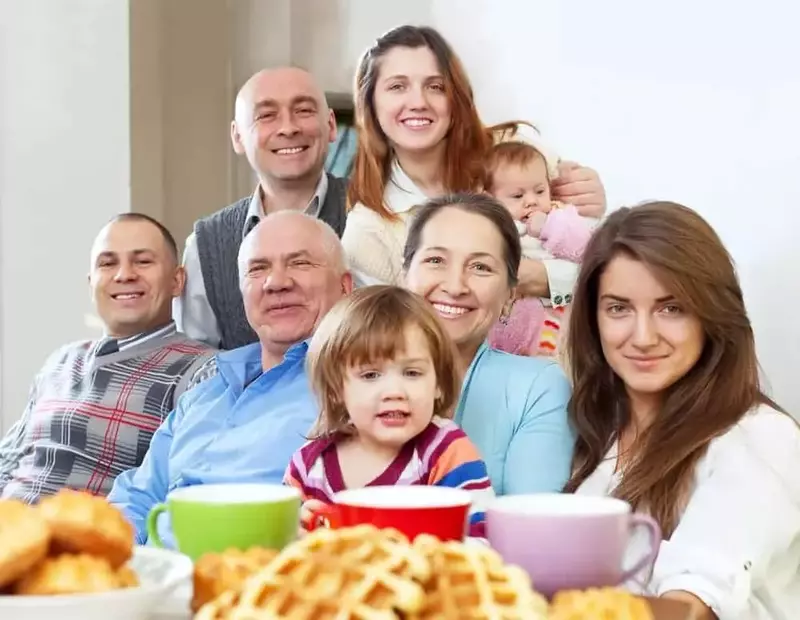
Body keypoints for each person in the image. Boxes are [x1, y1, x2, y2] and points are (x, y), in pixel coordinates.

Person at [564, 201, 800, 620]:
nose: (643, 337)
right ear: (593, 318)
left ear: (712, 316)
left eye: (671, 309)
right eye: (618, 308)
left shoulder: (759, 438)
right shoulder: (595, 434)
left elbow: (689, 608)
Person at [108, 211, 354, 543]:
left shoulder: (354, 391)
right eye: (258, 268)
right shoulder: (205, 393)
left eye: (300, 263)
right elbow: (137, 496)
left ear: (345, 287)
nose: (276, 282)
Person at [342, 24, 606, 310]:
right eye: (397, 87)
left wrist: (543, 276)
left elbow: (608, 270)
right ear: (370, 103)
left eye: (435, 86)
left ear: (455, 97)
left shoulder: (519, 152)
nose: (418, 102)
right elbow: (394, 336)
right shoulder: (367, 232)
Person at [0, 214, 214, 503]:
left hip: (88, 539)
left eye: (143, 261)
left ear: (177, 281)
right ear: (92, 283)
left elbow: (187, 491)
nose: (124, 275)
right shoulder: (60, 360)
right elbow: (8, 461)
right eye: (108, 263)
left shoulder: (202, 370)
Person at [285, 285, 493, 538]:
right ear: (335, 390)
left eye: (412, 373)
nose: (394, 391)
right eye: (370, 375)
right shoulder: (308, 466)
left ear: (438, 383)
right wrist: (296, 535)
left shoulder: (446, 451)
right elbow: (277, 551)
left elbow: (483, 540)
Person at [402, 193, 574, 495]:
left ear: (510, 295)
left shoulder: (539, 387)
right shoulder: (347, 368)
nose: (455, 287)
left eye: (480, 267)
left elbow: (531, 523)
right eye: (435, 260)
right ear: (405, 276)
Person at [175, 67, 348, 351]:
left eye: (303, 110)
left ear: (330, 125)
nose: (288, 128)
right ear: (238, 136)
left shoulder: (377, 215)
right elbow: (198, 365)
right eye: (267, 115)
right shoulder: (206, 246)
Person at [486, 125, 598, 357]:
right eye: (517, 196)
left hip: (560, 313)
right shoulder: (491, 227)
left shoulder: (561, 216)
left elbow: (586, 248)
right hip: (514, 320)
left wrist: (549, 227)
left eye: (539, 191)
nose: (531, 201)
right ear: (491, 200)